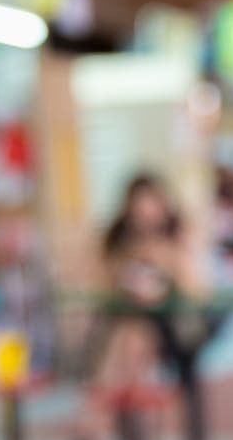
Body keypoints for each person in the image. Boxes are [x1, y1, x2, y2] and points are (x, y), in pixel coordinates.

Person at [86, 174, 200, 418]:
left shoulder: (177, 235)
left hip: (170, 325)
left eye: (150, 204)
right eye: (138, 206)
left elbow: (196, 288)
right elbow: (103, 284)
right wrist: (124, 266)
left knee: (129, 338)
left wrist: (168, 258)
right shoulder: (119, 240)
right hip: (126, 320)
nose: (145, 212)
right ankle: (116, 412)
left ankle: (96, 414)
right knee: (127, 335)